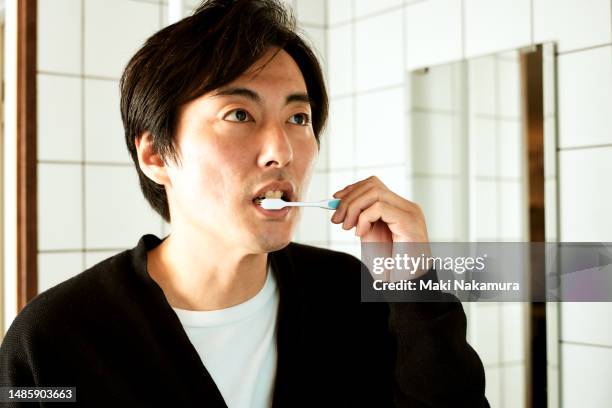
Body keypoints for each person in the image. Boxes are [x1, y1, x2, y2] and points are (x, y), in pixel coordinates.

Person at [0, 0, 489, 406]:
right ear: (154, 154)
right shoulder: (55, 340)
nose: (283, 150)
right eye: (239, 113)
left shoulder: (352, 295)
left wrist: (414, 286)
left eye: (299, 118)